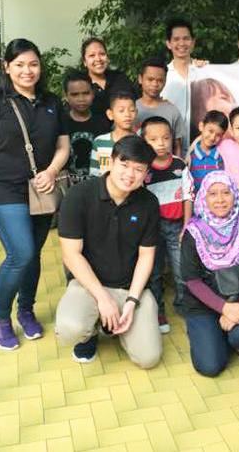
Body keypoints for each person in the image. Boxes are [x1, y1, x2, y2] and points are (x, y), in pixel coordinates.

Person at [0, 38, 70, 350]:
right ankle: (0, 316)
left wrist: (52, 171)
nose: (27, 71)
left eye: (32, 64)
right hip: (5, 190)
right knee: (22, 254)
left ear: (40, 67)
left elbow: (63, 146)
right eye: (19, 65)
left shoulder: (51, 101)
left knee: (33, 255)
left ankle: (25, 311)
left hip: (41, 190)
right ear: (7, 67)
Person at [55, 135, 161, 367]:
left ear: (145, 175)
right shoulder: (79, 196)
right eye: (124, 165)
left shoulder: (149, 203)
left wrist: (132, 301)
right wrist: (103, 299)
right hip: (89, 287)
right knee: (69, 328)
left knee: (149, 358)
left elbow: (146, 256)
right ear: (110, 162)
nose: (130, 174)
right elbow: (70, 254)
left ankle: (117, 326)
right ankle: (91, 331)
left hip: (129, 288)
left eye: (138, 169)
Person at [180, 171, 239, 375]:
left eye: (226, 193)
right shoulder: (193, 232)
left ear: (235, 195)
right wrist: (224, 309)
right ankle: (206, 331)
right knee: (210, 366)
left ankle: (229, 332)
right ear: (204, 197)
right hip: (203, 306)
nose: (220, 200)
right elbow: (192, 280)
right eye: (213, 194)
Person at [141, 116, 191, 333]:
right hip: (151, 229)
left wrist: (186, 225)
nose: (161, 143)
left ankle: (184, 305)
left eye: (165, 138)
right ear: (144, 141)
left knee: (181, 269)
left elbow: (188, 196)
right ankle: (157, 310)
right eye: (153, 139)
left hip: (177, 227)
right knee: (154, 272)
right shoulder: (143, 169)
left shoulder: (180, 165)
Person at [61, 69, 110, 184]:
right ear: (66, 96)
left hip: (99, 185)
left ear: (93, 93)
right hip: (67, 186)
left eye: (85, 93)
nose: (81, 99)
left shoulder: (103, 123)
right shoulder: (60, 123)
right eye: (75, 94)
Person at [160, 18, 200, 147]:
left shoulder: (204, 72)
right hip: (169, 146)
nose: (181, 43)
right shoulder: (162, 76)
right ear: (168, 43)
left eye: (186, 38)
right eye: (176, 39)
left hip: (201, 145)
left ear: (193, 42)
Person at [134, 56, 184, 156]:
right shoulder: (131, 110)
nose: (155, 84)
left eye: (160, 80)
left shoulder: (172, 111)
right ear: (140, 79)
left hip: (166, 169)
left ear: (165, 82)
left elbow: (177, 145)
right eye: (150, 79)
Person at [80, 37, 134, 116]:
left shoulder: (120, 78)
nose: (98, 59)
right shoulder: (80, 85)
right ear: (84, 62)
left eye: (102, 54)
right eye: (92, 55)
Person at [89, 91, 137, 176]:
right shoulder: (100, 142)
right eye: (121, 111)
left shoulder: (141, 141)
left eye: (132, 110)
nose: (127, 114)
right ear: (110, 114)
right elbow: (94, 174)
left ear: (136, 113)